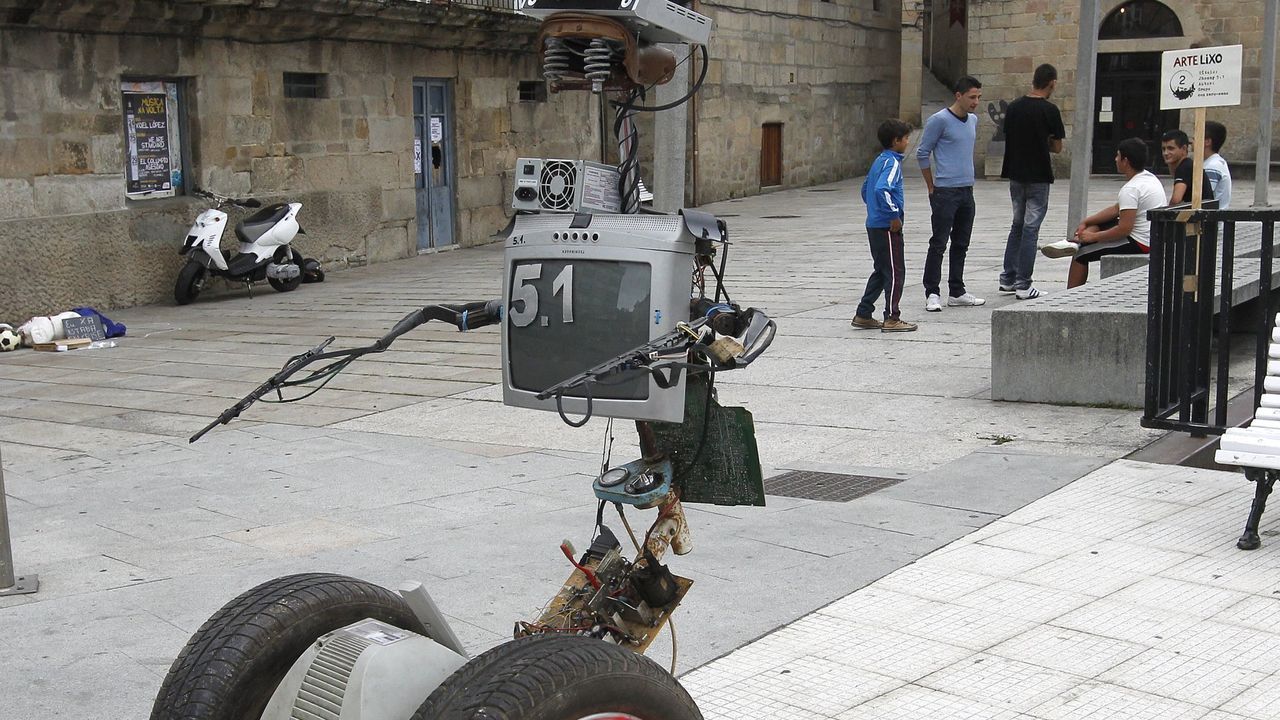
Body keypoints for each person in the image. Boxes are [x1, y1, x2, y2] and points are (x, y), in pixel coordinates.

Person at [1041, 137, 1166, 288]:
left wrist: (1094, 236)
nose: (1115, 159)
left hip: (1141, 243)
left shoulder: (1131, 189)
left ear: (1125, 161)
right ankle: (1075, 241)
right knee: (1098, 224)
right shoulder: (1149, 178)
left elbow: (1124, 229)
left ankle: (1069, 295)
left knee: (1081, 256)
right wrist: (1087, 222)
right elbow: (1116, 209)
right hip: (1152, 236)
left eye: (1118, 156)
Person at [916, 75, 985, 312]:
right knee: (939, 242)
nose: (976, 102)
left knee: (961, 243)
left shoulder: (973, 120)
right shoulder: (939, 120)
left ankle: (957, 290)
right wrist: (931, 185)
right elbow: (922, 153)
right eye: (972, 97)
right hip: (945, 191)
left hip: (967, 189)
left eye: (978, 97)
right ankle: (932, 292)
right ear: (959, 95)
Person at [998, 63, 1065, 301]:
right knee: (1030, 229)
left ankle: (1008, 278)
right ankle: (1024, 284)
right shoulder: (1050, 110)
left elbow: (1010, 136)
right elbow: (1057, 147)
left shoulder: (1014, 107)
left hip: (1015, 175)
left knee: (1017, 225)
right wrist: (1043, 141)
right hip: (1038, 175)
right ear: (1052, 83)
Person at [853, 119, 917, 333]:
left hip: (873, 224)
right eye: (906, 138)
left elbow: (866, 189)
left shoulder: (878, 161)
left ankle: (863, 313)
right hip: (887, 227)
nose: (908, 142)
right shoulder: (892, 163)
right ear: (896, 141)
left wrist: (873, 209)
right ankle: (892, 317)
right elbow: (882, 189)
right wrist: (893, 216)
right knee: (895, 271)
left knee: (881, 270)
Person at [1160, 129, 1215, 206]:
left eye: (1171, 148)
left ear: (1184, 149)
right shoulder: (1188, 165)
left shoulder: (1184, 167)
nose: (1165, 153)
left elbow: (1176, 199)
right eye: (1163, 149)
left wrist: (1166, 214)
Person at [1201, 120, 1233, 209]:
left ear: (1207, 142)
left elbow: (1204, 196)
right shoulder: (1215, 162)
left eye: (1195, 138)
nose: (1192, 142)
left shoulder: (1212, 166)